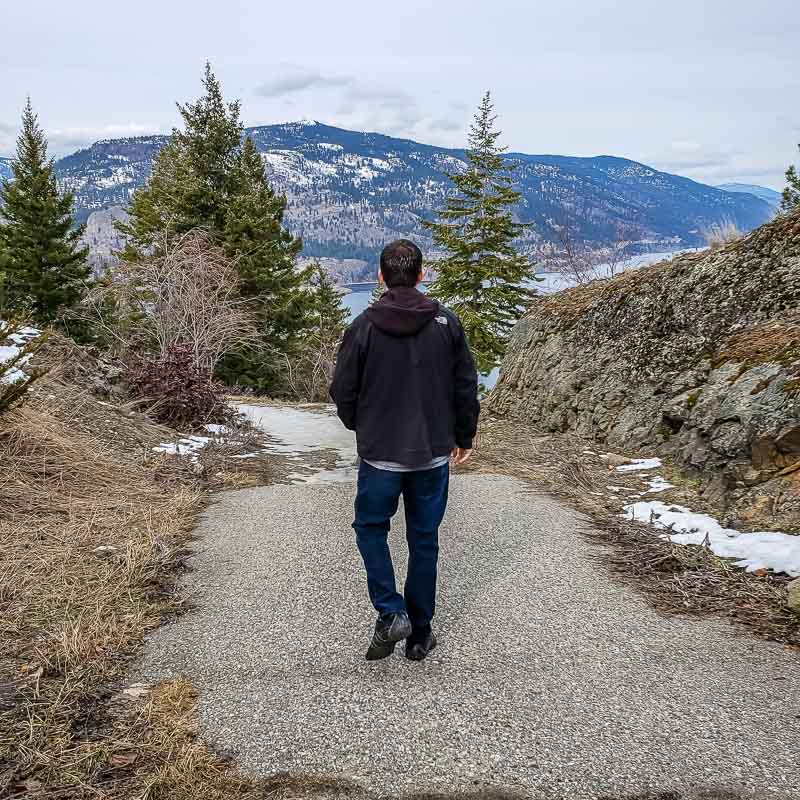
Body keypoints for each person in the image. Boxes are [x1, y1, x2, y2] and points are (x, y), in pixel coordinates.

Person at [330, 239, 479, 662]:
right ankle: (420, 634)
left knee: (370, 528)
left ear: (380, 277)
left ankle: (391, 611)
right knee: (424, 538)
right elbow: (465, 386)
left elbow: (343, 390)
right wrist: (463, 436)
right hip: (432, 452)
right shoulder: (446, 324)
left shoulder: (362, 327)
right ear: (420, 274)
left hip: (380, 454)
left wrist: (363, 426)